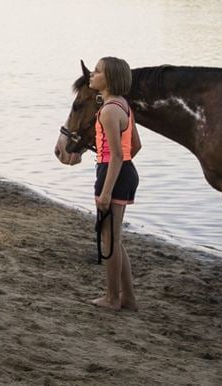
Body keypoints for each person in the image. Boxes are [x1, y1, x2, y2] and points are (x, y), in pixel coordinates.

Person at [89, 56, 142, 312]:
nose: (92, 74)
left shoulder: (110, 110)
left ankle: (112, 298)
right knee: (114, 238)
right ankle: (128, 298)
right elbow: (135, 146)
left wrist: (107, 190)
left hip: (112, 173)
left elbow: (118, 154)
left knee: (109, 239)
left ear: (109, 79)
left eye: (97, 71)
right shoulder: (124, 106)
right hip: (123, 172)